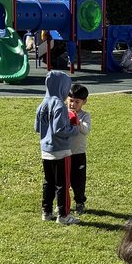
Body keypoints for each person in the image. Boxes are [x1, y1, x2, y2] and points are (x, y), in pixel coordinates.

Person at [35, 69, 79, 225]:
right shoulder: (59, 105)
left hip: (45, 151)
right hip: (61, 151)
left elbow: (37, 128)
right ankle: (63, 215)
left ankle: (46, 211)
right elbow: (60, 129)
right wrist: (75, 129)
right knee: (63, 185)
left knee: (49, 182)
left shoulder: (42, 104)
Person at [67, 82, 91, 216]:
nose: (73, 104)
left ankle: (80, 202)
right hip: (64, 152)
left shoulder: (85, 116)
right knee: (64, 180)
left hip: (78, 153)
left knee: (79, 180)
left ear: (84, 102)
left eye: (77, 102)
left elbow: (86, 130)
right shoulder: (63, 113)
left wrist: (77, 120)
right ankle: (63, 203)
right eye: (71, 101)